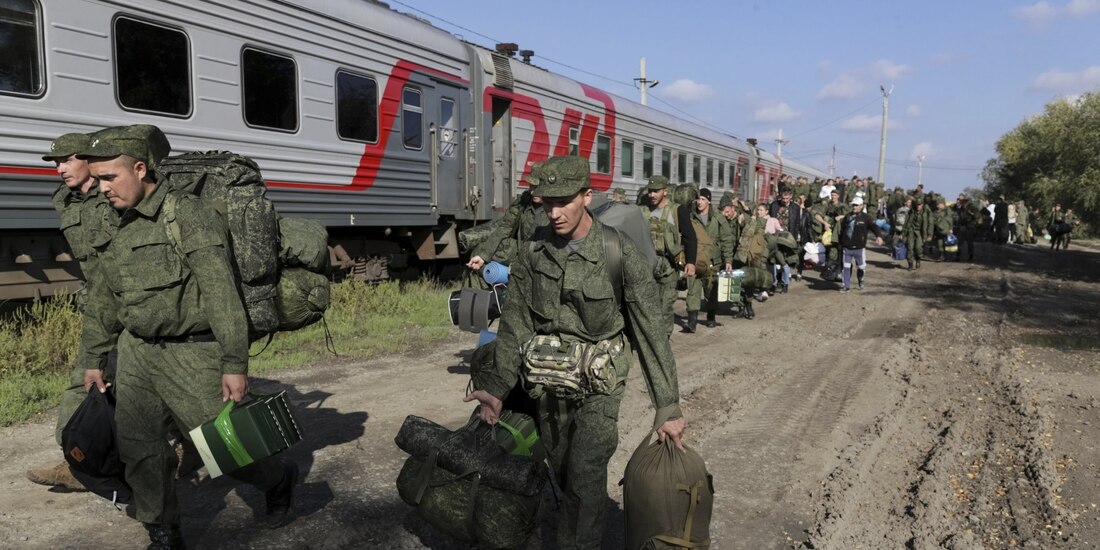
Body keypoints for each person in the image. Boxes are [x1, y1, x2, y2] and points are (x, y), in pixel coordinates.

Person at [76, 125, 298, 548]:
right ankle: (163, 529)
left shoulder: (186, 214)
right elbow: (104, 297)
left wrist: (234, 363)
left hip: (193, 353)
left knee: (227, 447)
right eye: (98, 178)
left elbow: (220, 292)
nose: (102, 188)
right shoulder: (110, 220)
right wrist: (94, 357)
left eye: (110, 178)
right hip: (137, 353)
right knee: (140, 449)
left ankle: (277, 478)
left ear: (140, 169)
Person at [465, 155, 686, 550]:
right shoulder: (533, 253)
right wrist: (497, 388)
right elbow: (517, 323)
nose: (554, 212)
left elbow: (651, 332)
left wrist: (667, 408)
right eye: (546, 202)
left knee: (585, 472)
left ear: (587, 196)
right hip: (549, 382)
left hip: (599, 386)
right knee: (565, 471)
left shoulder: (619, 254)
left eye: (563, 201)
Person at [26, 133, 119, 492]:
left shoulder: (115, 195)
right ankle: (77, 462)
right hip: (101, 305)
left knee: (145, 388)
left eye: (66, 160)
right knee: (84, 381)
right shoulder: (66, 200)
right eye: (55, 163)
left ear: (89, 161)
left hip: (134, 304)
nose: (60, 169)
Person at [466, 162, 547, 272]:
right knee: (479, 255)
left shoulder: (560, 209)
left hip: (545, 261)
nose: (532, 191)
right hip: (522, 255)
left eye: (537, 187)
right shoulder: (524, 201)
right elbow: (505, 228)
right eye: (531, 185)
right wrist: (483, 256)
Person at [643, 175, 696, 336]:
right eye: (650, 191)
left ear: (665, 191)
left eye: (656, 191)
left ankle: (663, 340)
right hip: (647, 265)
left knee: (665, 305)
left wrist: (691, 262)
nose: (652, 195)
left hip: (668, 266)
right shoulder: (643, 209)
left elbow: (690, 237)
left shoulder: (678, 210)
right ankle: (650, 338)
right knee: (648, 306)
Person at [683, 188, 733, 331]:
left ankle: (711, 317)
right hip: (695, 259)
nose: (699, 202)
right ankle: (692, 321)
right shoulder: (691, 218)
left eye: (703, 199)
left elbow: (726, 240)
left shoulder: (718, 219)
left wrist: (728, 260)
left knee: (711, 291)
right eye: (698, 199)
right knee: (693, 289)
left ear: (709, 201)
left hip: (713, 262)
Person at [835, 197, 884, 292]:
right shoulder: (847, 216)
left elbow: (874, 227)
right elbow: (842, 230)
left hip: (859, 248)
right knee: (846, 267)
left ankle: (860, 280)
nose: (854, 207)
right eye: (853, 205)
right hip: (847, 248)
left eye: (856, 205)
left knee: (861, 267)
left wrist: (879, 236)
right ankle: (846, 286)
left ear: (861, 206)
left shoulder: (866, 218)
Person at [952, 194, 980, 261]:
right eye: (962, 203)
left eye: (964, 204)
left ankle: (970, 256)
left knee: (970, 243)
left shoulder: (972, 207)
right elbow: (958, 216)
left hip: (970, 227)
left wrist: (970, 213)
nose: (963, 205)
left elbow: (977, 216)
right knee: (959, 243)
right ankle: (957, 256)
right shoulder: (961, 208)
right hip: (962, 227)